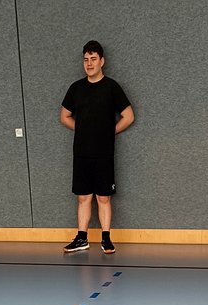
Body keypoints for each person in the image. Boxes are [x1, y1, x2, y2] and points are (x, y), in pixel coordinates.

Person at [60, 40, 134, 255]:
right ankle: (81, 238)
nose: (89, 63)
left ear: (102, 61)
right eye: (86, 60)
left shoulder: (112, 87)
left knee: (103, 197)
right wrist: (84, 129)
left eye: (93, 59)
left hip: (103, 153)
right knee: (83, 197)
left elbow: (128, 116)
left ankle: (106, 238)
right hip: (81, 153)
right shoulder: (76, 88)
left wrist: (108, 132)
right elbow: (64, 116)